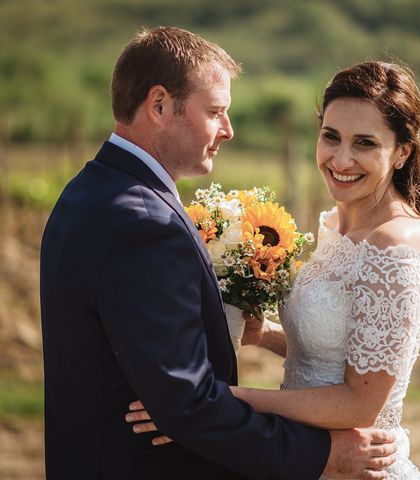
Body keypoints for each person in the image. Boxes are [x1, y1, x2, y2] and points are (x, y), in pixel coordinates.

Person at [40, 27, 397, 480]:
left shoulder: (87, 190)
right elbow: (187, 404)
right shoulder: (146, 224)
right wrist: (325, 455)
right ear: (159, 105)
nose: (229, 130)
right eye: (215, 112)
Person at [129, 61, 420, 479]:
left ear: (402, 151)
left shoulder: (397, 244)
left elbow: (359, 404)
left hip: (357, 464)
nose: (342, 158)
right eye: (331, 136)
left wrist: (218, 402)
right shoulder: (336, 223)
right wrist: (269, 336)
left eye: (365, 143)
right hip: (308, 456)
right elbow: (335, 352)